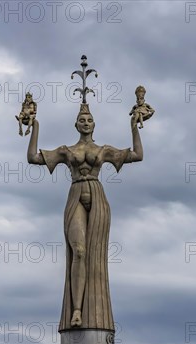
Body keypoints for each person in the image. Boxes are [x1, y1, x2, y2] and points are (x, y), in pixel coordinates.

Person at [26, 103, 143, 332]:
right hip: (76, 195)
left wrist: (134, 126)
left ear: (94, 124)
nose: (86, 123)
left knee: (95, 257)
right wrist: (34, 127)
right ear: (76, 124)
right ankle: (77, 310)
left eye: (89, 120)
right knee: (79, 252)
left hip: (98, 198)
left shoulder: (105, 150)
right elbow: (33, 158)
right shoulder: (65, 151)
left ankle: (95, 309)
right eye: (82, 120)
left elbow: (138, 155)